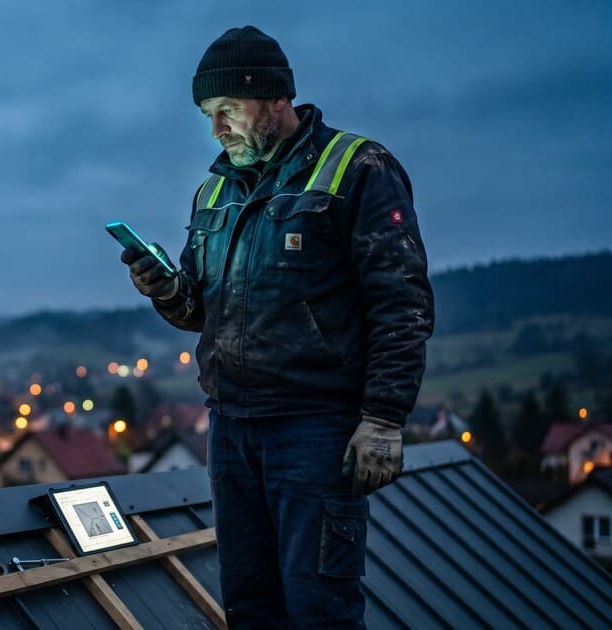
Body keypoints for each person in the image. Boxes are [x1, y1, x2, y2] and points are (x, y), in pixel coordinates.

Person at [119, 26, 434, 628]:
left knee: (319, 609)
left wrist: (384, 417)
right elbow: (199, 311)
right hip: (231, 429)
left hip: (315, 430)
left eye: (227, 109)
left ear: (275, 97)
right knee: (250, 606)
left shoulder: (358, 168)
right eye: (208, 115)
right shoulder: (214, 190)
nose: (217, 129)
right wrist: (164, 289)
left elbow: (401, 301)